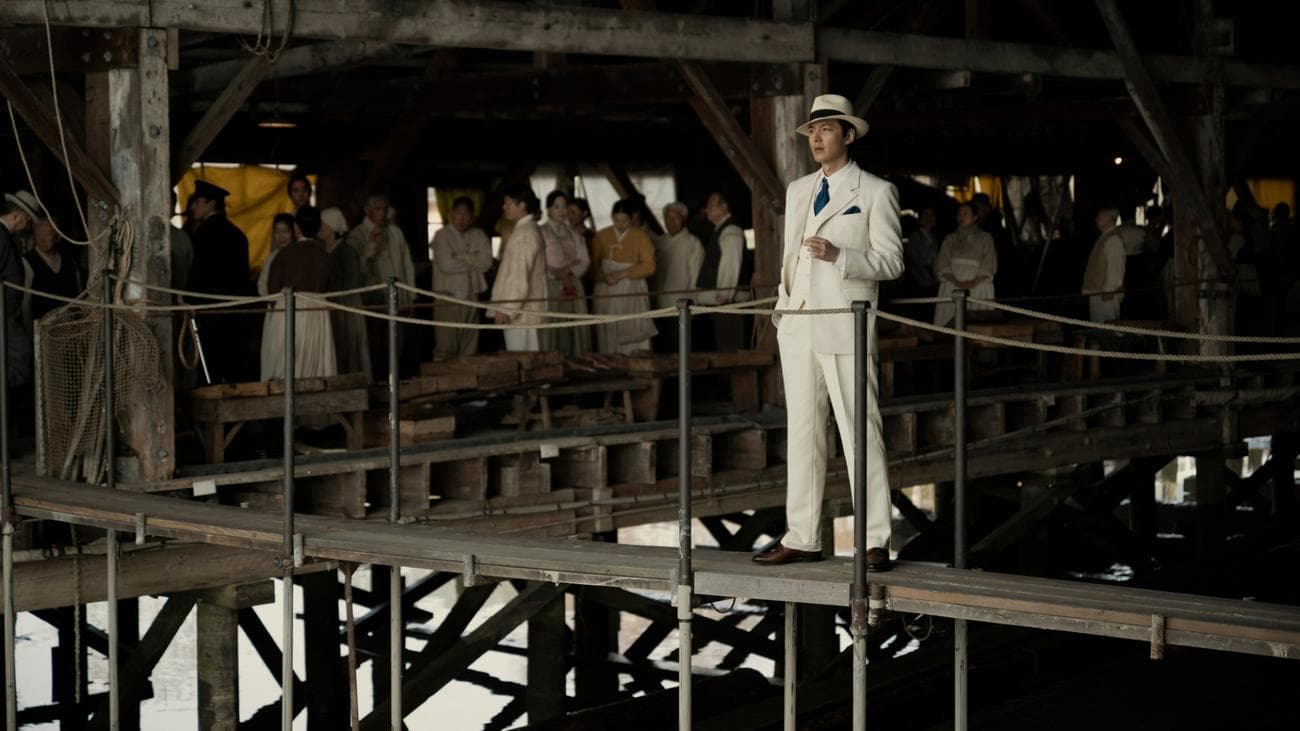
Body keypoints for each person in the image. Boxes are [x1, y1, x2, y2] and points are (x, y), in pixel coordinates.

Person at [755, 94, 903, 570]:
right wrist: (783, 307)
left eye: (826, 130)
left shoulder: (875, 191)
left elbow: (892, 262)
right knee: (802, 432)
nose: (816, 138)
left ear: (848, 135)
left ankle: (874, 539)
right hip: (797, 322)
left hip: (844, 321)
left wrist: (842, 256)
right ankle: (801, 535)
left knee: (862, 429)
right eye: (812, 132)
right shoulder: (799, 189)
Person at [261, 206, 336, 380]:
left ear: (296, 227)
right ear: (318, 228)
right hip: (318, 313)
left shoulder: (284, 255)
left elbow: (273, 291)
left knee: (286, 365)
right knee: (316, 366)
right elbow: (330, 288)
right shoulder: (326, 258)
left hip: (288, 312)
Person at [187, 179, 251, 383]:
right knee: (233, 367)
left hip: (209, 313)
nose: (193, 206)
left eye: (198, 201)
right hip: (234, 312)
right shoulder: (238, 235)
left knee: (209, 369)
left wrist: (188, 299)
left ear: (211, 203)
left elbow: (197, 274)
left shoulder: (203, 235)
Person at [346, 194, 416, 371]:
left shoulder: (395, 232)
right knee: (375, 344)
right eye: (378, 209)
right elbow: (355, 271)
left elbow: (407, 265)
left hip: (398, 298)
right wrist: (370, 248)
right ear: (367, 211)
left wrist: (411, 296)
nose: (382, 213)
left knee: (397, 343)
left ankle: (395, 383)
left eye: (385, 209)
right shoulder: (357, 235)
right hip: (373, 300)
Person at [591, 199, 657, 354]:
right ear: (612, 217)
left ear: (632, 218)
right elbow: (591, 265)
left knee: (632, 325)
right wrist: (603, 276)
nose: (620, 224)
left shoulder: (640, 236)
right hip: (606, 286)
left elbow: (650, 265)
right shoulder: (602, 235)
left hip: (631, 285)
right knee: (608, 328)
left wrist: (623, 274)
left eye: (624, 221)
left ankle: (636, 362)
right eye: (616, 220)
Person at [431, 196, 493, 358]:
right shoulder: (441, 236)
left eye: (466, 214)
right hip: (449, 298)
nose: (462, 218)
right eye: (458, 213)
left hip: (472, 296)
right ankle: (444, 382)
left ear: (471, 217)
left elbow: (486, 262)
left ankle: (467, 382)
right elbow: (446, 265)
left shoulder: (478, 235)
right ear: (450, 213)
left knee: (470, 347)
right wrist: (473, 258)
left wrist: (460, 256)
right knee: (446, 347)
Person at [490, 186, 547, 351]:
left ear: (522, 205)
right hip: (526, 311)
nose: (504, 207)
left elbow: (518, 276)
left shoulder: (524, 234)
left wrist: (507, 308)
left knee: (523, 358)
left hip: (523, 314)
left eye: (508, 203)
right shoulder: (526, 230)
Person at [696, 192, 752, 351]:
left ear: (724, 207)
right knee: (724, 346)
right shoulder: (721, 230)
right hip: (720, 301)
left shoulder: (731, 231)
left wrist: (724, 294)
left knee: (730, 348)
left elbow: (730, 264)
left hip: (727, 302)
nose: (707, 210)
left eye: (711, 206)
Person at [538, 190, 592, 356]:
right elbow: (537, 262)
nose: (561, 211)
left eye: (564, 207)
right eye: (556, 207)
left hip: (573, 283)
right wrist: (555, 273)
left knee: (573, 324)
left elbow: (584, 260)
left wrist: (568, 272)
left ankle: (576, 362)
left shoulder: (573, 233)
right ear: (548, 209)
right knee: (553, 324)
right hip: (550, 284)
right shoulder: (540, 232)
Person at [320, 207, 371, 379]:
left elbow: (353, 281)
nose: (320, 228)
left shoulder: (346, 251)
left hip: (346, 306)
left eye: (323, 225)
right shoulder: (324, 250)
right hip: (333, 306)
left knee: (348, 346)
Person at [933, 202, 996, 325]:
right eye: (959, 214)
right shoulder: (950, 238)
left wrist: (973, 282)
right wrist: (955, 281)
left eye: (965, 213)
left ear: (975, 217)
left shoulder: (985, 238)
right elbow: (942, 261)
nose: (961, 217)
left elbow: (989, 261)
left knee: (976, 324)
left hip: (977, 284)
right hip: (953, 283)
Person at [653, 201, 703, 351]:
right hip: (658, 305)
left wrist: (693, 303)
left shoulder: (693, 243)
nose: (671, 222)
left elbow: (696, 277)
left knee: (680, 348)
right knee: (662, 348)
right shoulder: (659, 242)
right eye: (668, 218)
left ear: (684, 220)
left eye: (676, 218)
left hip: (681, 305)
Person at [22, 215, 82, 331]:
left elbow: (79, 295)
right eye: (38, 233)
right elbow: (25, 303)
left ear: (58, 236)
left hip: (70, 329)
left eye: (46, 233)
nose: (41, 238)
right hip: (44, 331)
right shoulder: (28, 261)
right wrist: (30, 334)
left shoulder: (69, 261)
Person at [1082, 206, 1127, 322]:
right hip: (1099, 293)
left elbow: (1116, 269)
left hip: (1106, 295)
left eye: (1100, 217)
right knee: (1100, 327)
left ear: (1110, 219)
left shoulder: (1113, 240)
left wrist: (1109, 291)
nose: (1096, 219)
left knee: (1108, 328)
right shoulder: (1105, 238)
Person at [257, 213, 296, 296]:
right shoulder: (271, 257)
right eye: (277, 232)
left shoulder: (298, 254)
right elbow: (262, 284)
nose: (281, 236)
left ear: (293, 232)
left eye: (285, 231)